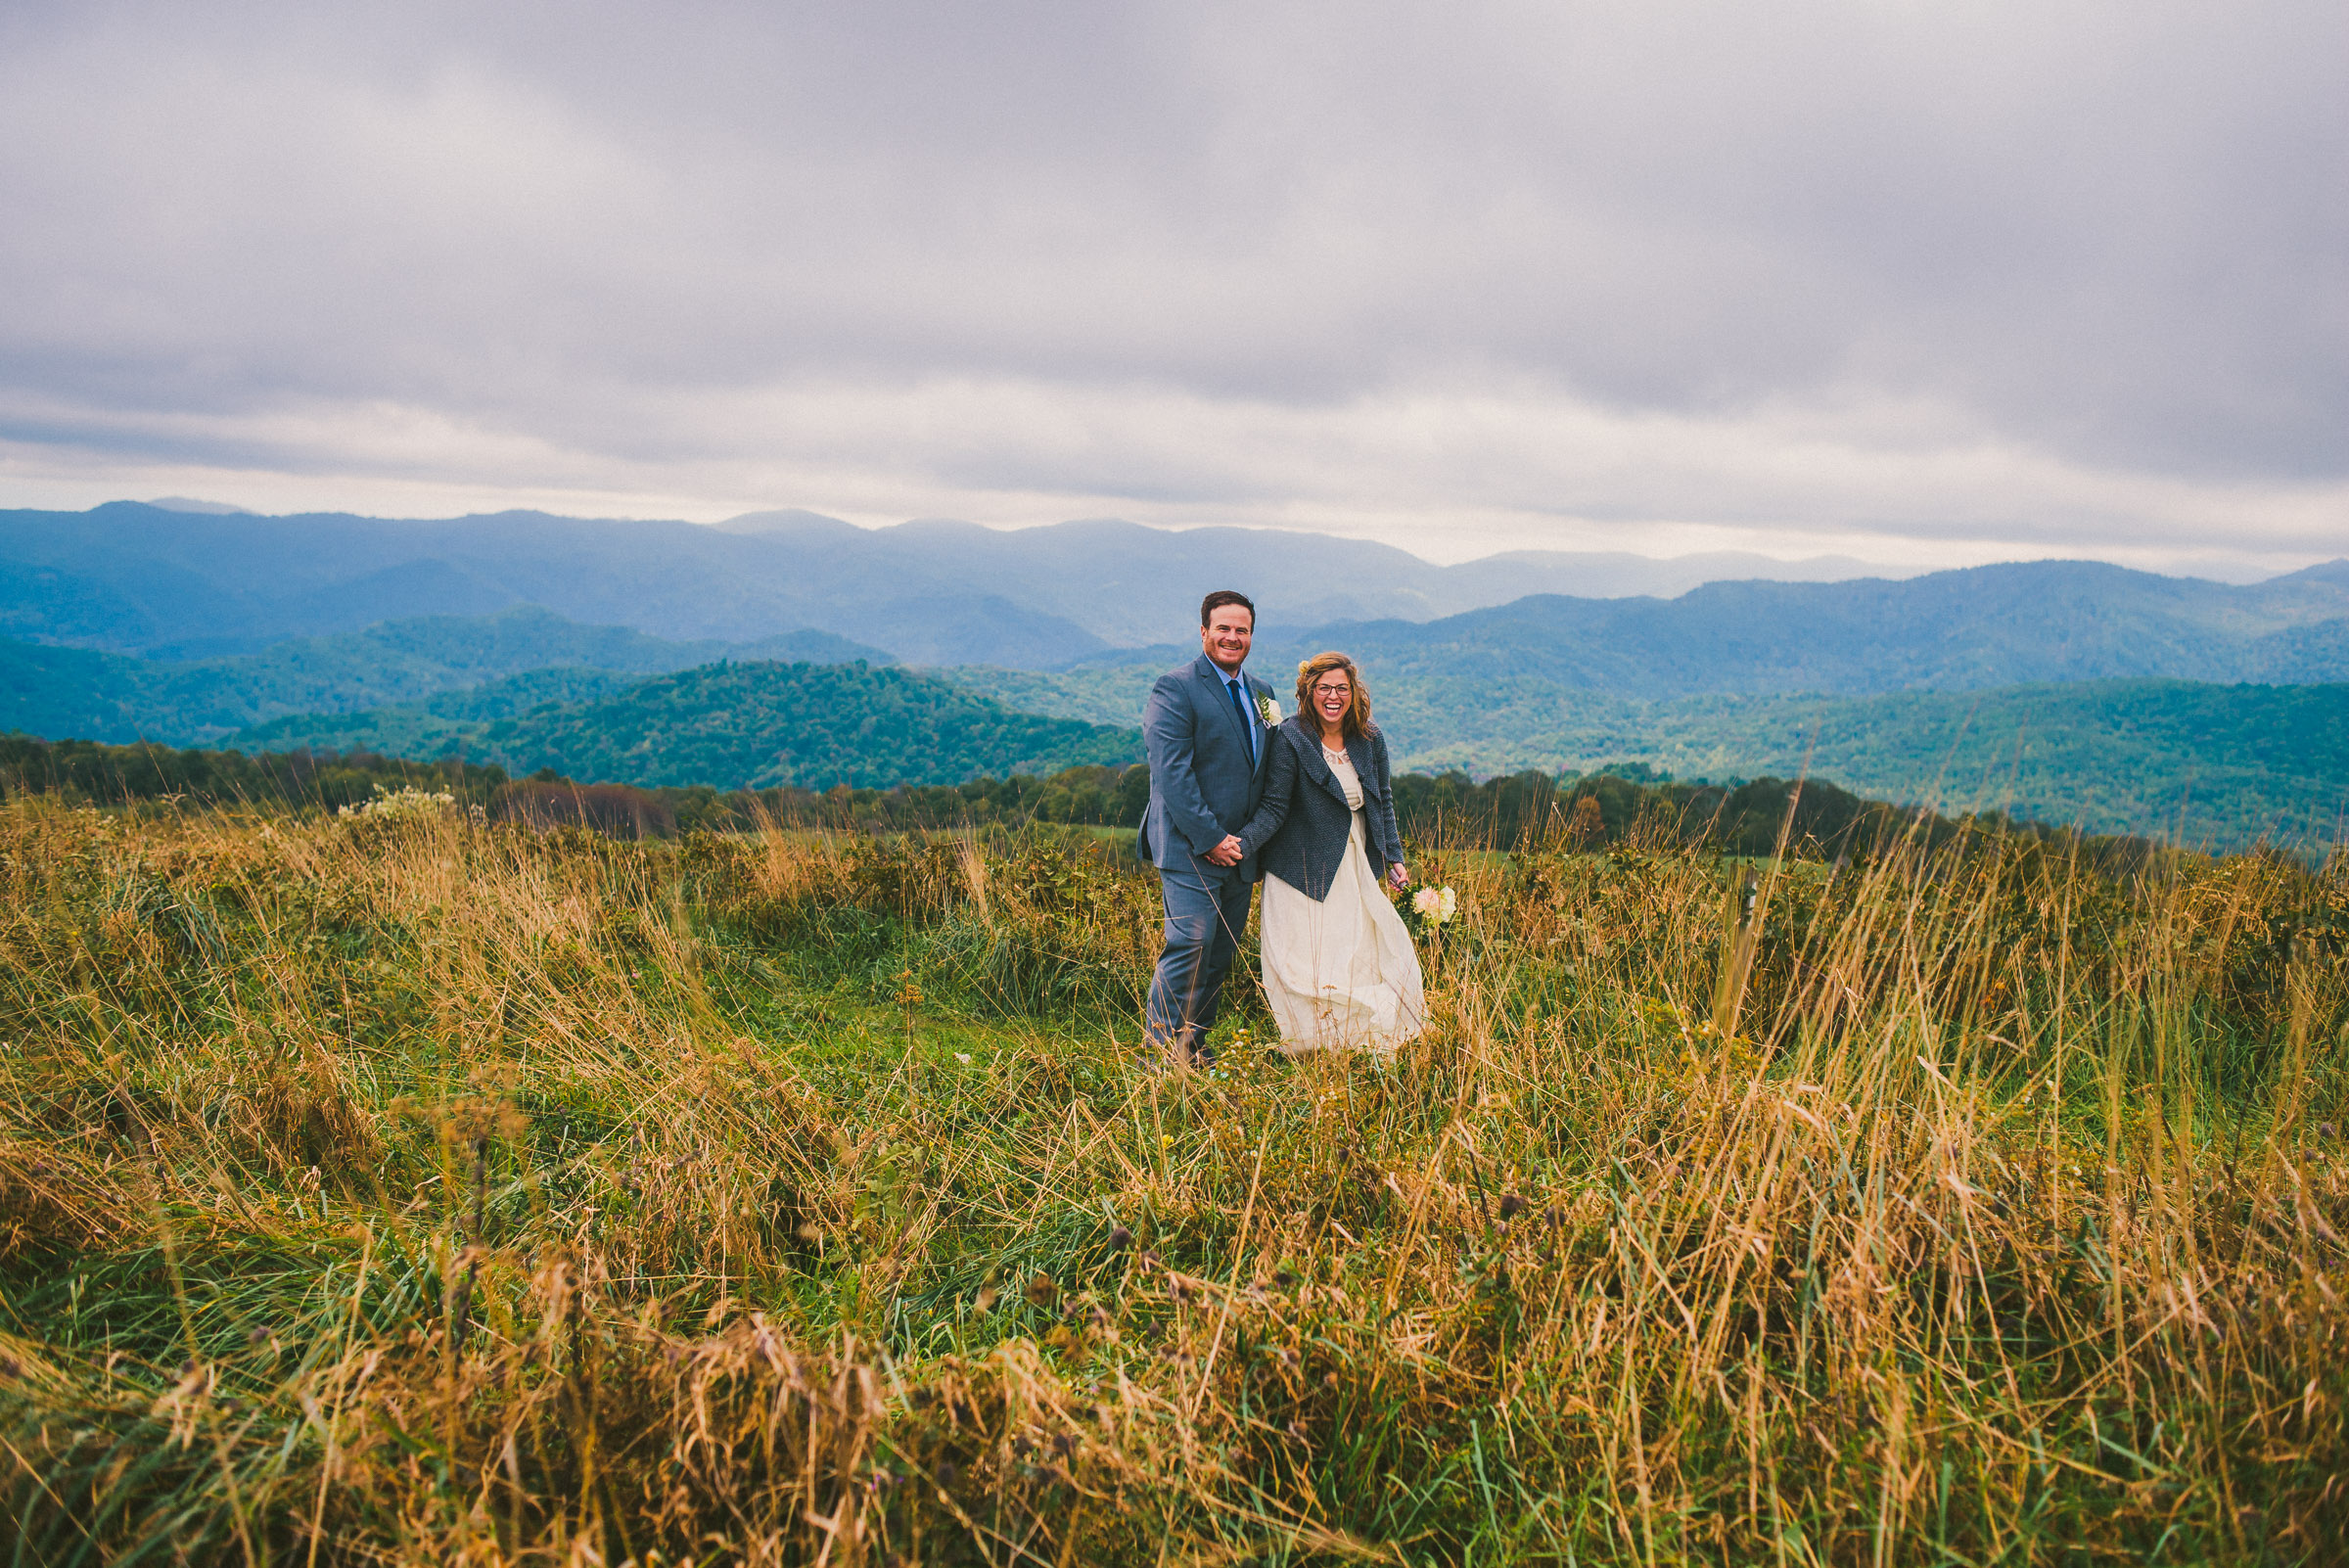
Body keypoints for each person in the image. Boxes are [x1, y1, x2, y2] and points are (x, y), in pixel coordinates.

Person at [1236, 652, 1424, 1057]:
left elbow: (1383, 799)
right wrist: (1241, 844)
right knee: (1302, 958)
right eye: (1324, 688)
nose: (1334, 696)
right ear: (1309, 692)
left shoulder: (1369, 739)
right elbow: (1273, 806)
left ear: (1354, 693)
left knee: (1357, 949)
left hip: (1354, 861)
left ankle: (1355, 1039)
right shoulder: (1291, 738)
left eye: (1342, 688)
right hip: (1299, 866)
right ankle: (1313, 1040)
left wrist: (1394, 856)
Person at [1137, 590, 1278, 1069]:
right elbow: (1171, 774)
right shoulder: (1174, 688)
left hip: (1241, 850)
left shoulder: (1263, 694)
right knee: (1191, 942)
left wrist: (1246, 840)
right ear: (1203, 632)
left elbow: (1265, 771)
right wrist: (1212, 838)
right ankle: (1158, 1058)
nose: (1232, 637)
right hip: (1189, 846)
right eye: (1223, 628)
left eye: (1241, 630)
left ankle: (1193, 1048)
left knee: (1220, 952)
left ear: (1251, 636)